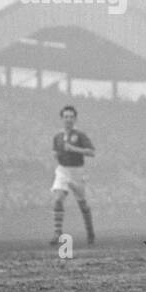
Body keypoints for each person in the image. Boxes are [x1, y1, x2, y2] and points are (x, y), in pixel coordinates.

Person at [51, 105, 96, 245]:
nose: (68, 119)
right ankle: (58, 232)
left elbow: (91, 152)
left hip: (77, 171)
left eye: (71, 117)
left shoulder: (80, 135)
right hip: (63, 170)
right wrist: (56, 155)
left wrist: (73, 149)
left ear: (75, 118)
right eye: (66, 117)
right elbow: (55, 152)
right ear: (62, 118)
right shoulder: (57, 136)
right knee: (58, 199)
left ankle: (90, 231)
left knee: (82, 203)